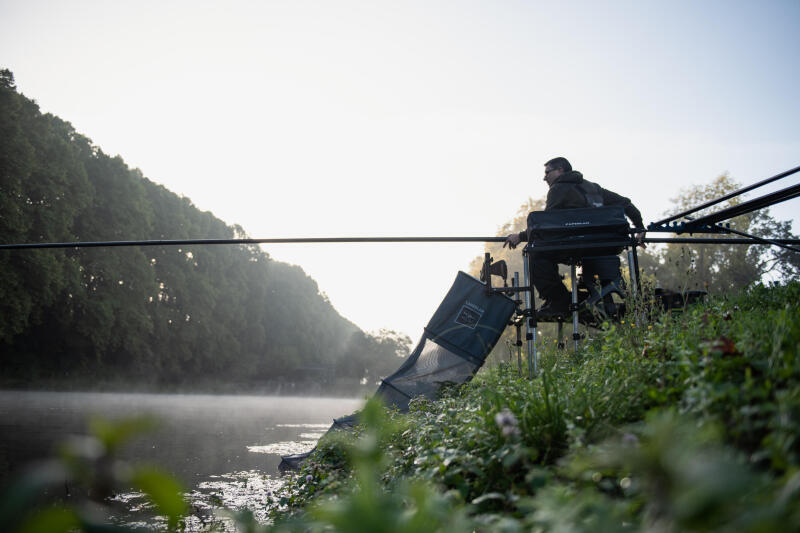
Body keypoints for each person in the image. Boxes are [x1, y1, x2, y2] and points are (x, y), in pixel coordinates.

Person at [504, 157, 645, 316]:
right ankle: (577, 296)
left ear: (560, 170)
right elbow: (626, 203)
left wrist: (520, 236)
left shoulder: (558, 189)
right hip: (605, 247)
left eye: (547, 172)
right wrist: (639, 227)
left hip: (577, 247)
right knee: (541, 249)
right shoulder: (593, 188)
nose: (544, 177)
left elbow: (545, 226)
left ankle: (559, 302)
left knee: (536, 253)